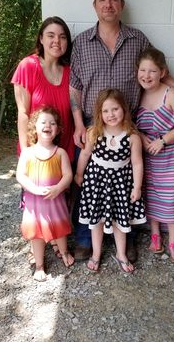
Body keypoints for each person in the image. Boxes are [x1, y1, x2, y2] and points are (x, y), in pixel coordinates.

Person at [70, 0, 174, 262]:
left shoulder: (137, 40)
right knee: (90, 183)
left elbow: (158, 70)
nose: (108, 4)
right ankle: (85, 240)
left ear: (122, 5)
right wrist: (79, 122)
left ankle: (127, 237)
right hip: (93, 123)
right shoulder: (81, 44)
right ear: (94, 5)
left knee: (127, 183)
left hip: (128, 125)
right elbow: (74, 85)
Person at [11, 16, 74, 261]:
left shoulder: (69, 72)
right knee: (34, 199)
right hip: (35, 150)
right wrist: (27, 151)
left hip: (62, 148)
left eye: (62, 36)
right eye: (51, 35)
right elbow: (23, 113)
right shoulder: (28, 66)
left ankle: (58, 240)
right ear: (41, 38)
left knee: (58, 198)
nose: (56, 41)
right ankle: (36, 243)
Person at [74, 88, 146, 273]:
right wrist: (79, 174)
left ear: (123, 109)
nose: (111, 114)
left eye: (115, 109)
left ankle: (121, 254)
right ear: (99, 113)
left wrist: (137, 187)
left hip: (120, 185)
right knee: (96, 220)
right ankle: (96, 254)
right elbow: (84, 154)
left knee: (120, 222)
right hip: (96, 183)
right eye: (105, 111)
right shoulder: (94, 132)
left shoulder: (132, 136)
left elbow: (137, 164)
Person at [136, 47, 174, 263]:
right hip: (148, 156)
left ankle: (173, 241)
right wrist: (141, 137)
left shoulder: (171, 94)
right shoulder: (138, 94)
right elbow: (131, 124)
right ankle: (155, 235)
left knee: (172, 198)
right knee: (150, 195)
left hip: (171, 155)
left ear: (162, 72)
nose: (146, 76)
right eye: (143, 70)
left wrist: (163, 141)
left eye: (152, 71)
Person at [16, 106, 74, 281]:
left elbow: (68, 175)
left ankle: (64, 252)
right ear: (34, 127)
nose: (48, 125)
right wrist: (32, 188)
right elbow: (20, 175)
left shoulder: (60, 153)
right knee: (37, 235)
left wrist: (58, 188)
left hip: (55, 201)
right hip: (35, 205)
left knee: (60, 229)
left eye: (52, 123)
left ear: (57, 130)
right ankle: (39, 265)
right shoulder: (27, 153)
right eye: (43, 122)